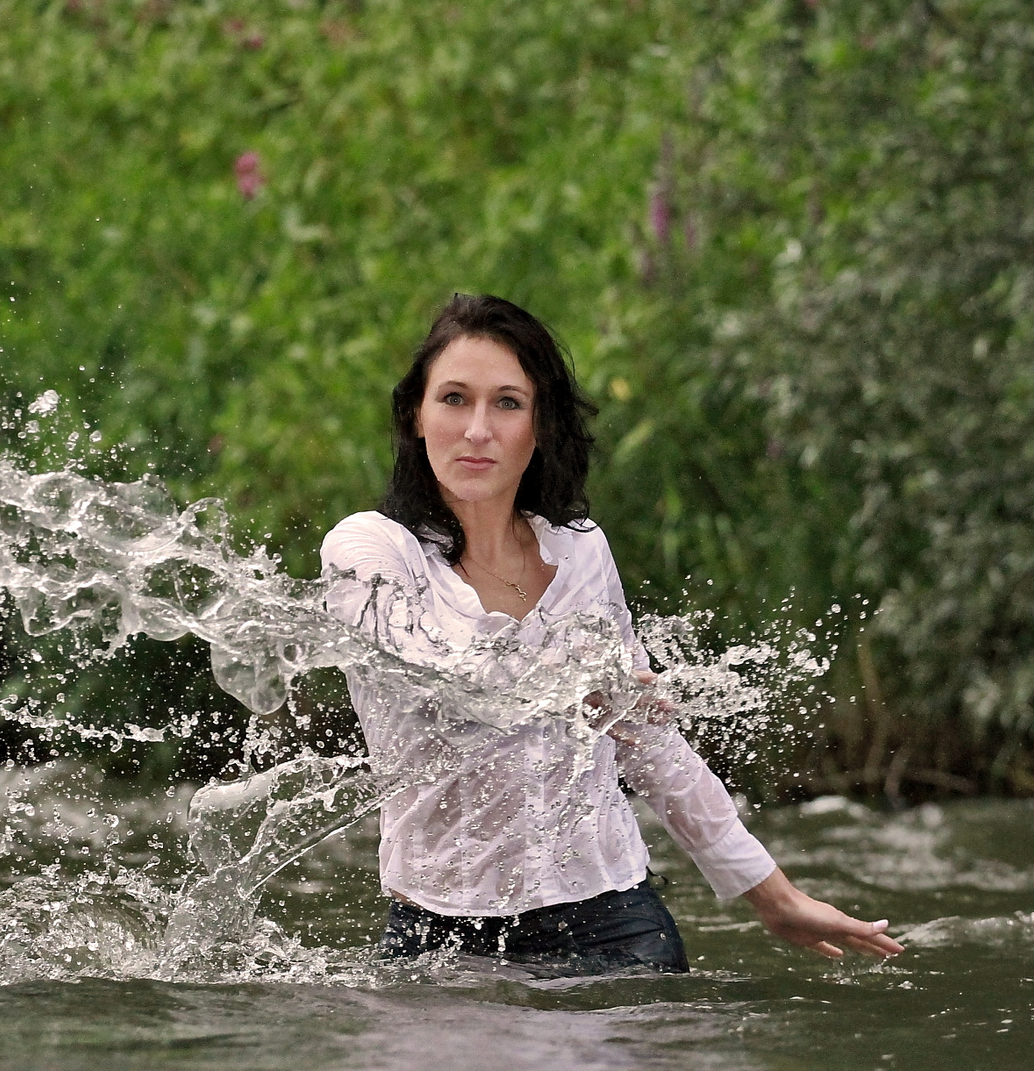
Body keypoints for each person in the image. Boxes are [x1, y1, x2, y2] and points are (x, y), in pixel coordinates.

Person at [319, 293, 903, 972]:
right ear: (416, 416)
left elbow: (646, 740)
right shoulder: (368, 552)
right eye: (453, 398)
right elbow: (432, 679)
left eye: (507, 403)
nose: (476, 428)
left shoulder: (579, 551)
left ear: (539, 427)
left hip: (611, 921)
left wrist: (770, 893)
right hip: (438, 936)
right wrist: (573, 687)